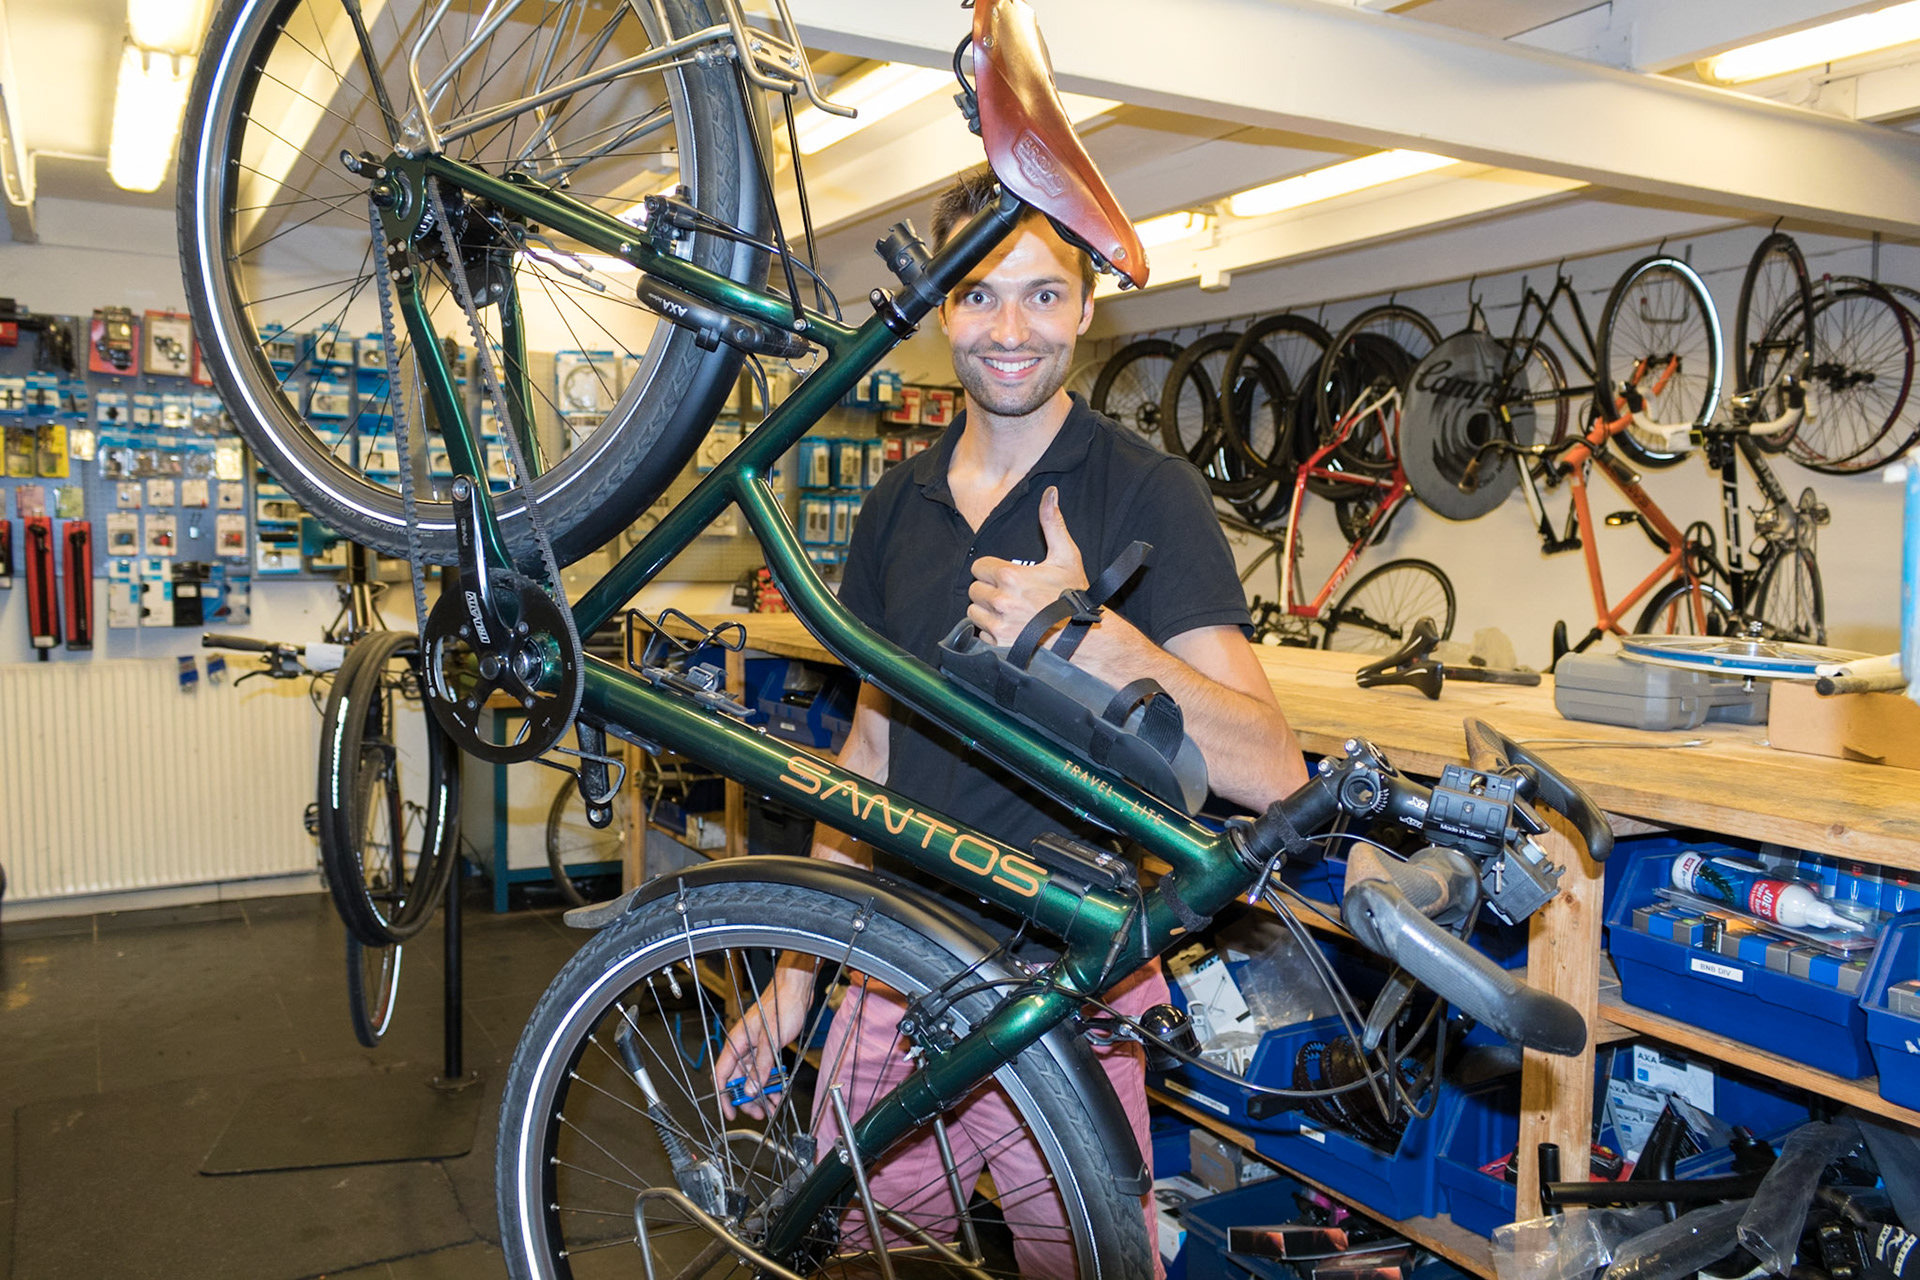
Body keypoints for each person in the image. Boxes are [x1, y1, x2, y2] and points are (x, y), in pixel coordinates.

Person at [713, 167, 1309, 1276]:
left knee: (1085, 1260)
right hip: (897, 966)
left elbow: (1274, 769)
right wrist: (796, 976)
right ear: (942, 309)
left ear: (1087, 307)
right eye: (980, 294)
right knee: (855, 1253)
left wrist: (1093, 641)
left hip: (1073, 975)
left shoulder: (1146, 492)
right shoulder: (896, 505)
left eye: (1043, 294)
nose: (1010, 329)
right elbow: (871, 754)